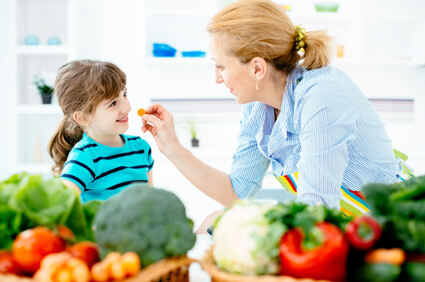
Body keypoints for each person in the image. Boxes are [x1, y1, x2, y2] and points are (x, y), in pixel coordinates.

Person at [141, 0, 404, 228]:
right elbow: (238, 193)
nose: (217, 79)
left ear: (257, 68)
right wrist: (171, 146)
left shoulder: (322, 96)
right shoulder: (258, 106)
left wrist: (240, 224)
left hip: (394, 225)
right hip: (344, 230)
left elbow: (317, 209)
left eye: (221, 67)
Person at [48, 60, 154, 202]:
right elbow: (61, 205)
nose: (127, 107)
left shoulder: (141, 148)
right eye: (113, 103)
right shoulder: (85, 157)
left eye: (124, 94)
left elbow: (153, 202)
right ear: (83, 117)